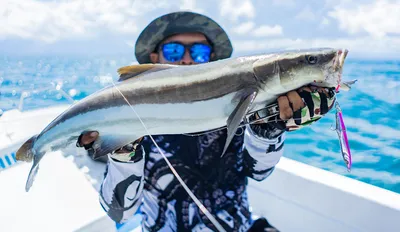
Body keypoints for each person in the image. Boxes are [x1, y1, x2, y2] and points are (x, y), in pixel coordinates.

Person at [77, 11, 336, 231]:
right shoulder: (131, 119)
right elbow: (119, 213)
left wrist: (269, 128)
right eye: (174, 50)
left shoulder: (242, 107)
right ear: (154, 59)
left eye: (199, 52)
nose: (187, 59)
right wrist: (124, 154)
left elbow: (259, 172)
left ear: (212, 61)